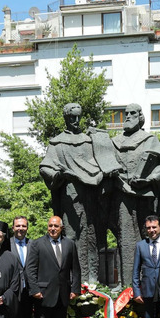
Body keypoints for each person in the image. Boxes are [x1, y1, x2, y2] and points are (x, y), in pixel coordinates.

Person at [39, 103, 121, 285]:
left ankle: (93, 279)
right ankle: (74, 279)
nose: (76, 121)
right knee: (72, 237)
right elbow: (45, 166)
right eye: (72, 117)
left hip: (92, 195)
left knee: (93, 236)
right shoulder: (57, 143)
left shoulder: (89, 140)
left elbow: (105, 161)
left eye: (78, 117)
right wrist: (58, 174)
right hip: (70, 196)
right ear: (66, 118)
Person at [110, 104, 160, 288]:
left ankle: (147, 282)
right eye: (126, 113)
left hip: (145, 195)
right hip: (122, 195)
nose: (128, 116)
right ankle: (126, 285)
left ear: (140, 117)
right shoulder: (115, 142)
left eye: (133, 113)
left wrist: (151, 179)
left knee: (147, 235)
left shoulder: (150, 140)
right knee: (125, 237)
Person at [26, 215, 81, 318]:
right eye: (50, 225)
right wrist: (35, 289)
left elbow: (75, 269)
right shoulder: (37, 244)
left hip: (63, 294)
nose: (53, 229)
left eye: (56, 226)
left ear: (61, 228)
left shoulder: (70, 244)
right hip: (43, 294)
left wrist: (75, 289)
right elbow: (30, 270)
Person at [10, 216, 36, 318]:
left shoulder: (34, 244)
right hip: (12, 292)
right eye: (18, 226)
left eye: (23, 226)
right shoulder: (7, 244)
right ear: (13, 228)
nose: (20, 228)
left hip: (29, 291)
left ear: (27, 228)